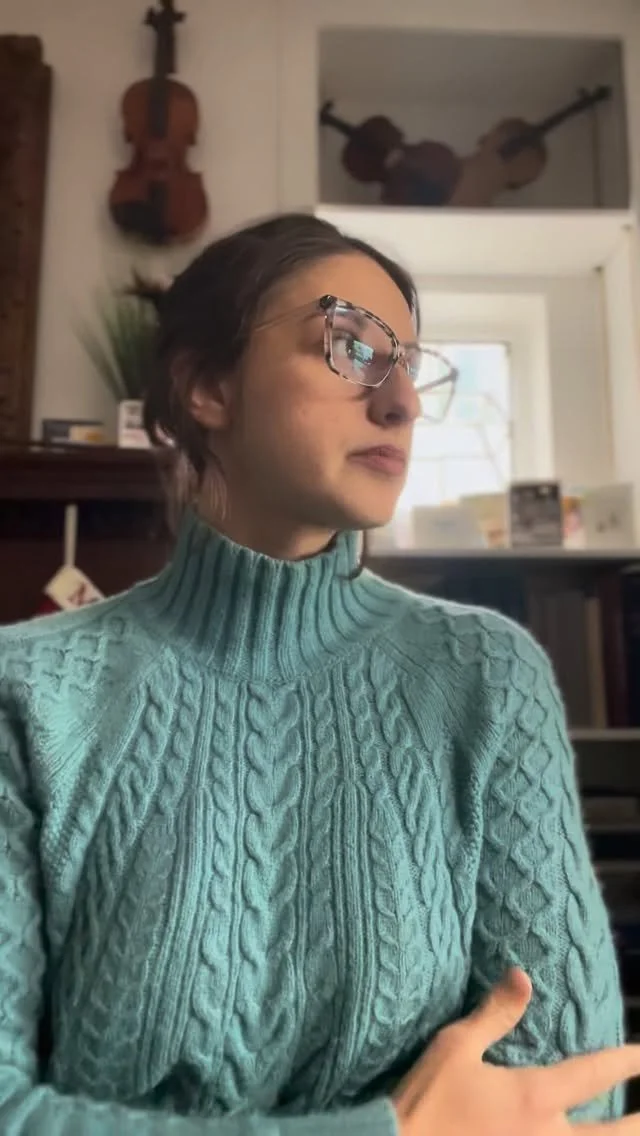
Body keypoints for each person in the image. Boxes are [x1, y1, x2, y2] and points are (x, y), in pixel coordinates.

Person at [0, 212, 637, 1136]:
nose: (402, 402)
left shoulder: (484, 677)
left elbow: (569, 1098)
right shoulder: (27, 693)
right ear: (207, 386)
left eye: (411, 367)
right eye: (352, 347)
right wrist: (386, 1132)